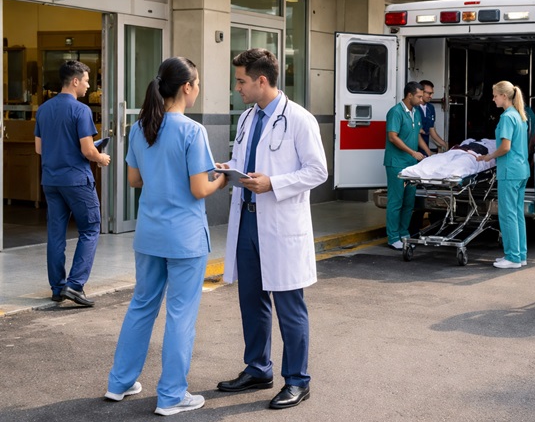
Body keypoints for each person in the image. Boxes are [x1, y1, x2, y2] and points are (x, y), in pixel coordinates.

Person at [106, 57, 226, 416]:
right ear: (186, 87)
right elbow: (199, 188)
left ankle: (120, 382)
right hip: (185, 237)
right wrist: (222, 175)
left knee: (142, 306)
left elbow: (134, 180)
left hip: (150, 234)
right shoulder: (192, 131)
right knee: (180, 314)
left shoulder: (140, 128)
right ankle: (172, 395)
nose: (199, 89)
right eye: (198, 83)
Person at [216, 48, 327, 410]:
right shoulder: (248, 118)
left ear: (262, 81)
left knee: (289, 306)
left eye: (241, 81)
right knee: (252, 301)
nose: (238, 88)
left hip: (280, 223)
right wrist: (227, 167)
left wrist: (274, 183)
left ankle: (297, 380)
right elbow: (247, 160)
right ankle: (258, 368)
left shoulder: (299, 119)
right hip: (248, 219)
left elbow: (317, 171)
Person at [34, 60, 110, 306]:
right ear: (75, 81)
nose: (89, 86)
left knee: (55, 234)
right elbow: (88, 150)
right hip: (76, 180)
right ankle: (75, 285)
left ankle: (57, 288)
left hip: (51, 181)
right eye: (87, 81)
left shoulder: (44, 109)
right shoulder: (81, 110)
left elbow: (39, 149)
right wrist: (101, 157)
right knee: (90, 228)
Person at [477, 81, 530, 269]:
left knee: (507, 215)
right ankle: (520, 254)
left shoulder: (507, 117)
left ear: (504, 96)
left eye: (495, 95)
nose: (493, 99)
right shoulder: (519, 116)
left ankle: (513, 257)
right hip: (521, 170)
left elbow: (505, 147)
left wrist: (488, 157)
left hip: (509, 171)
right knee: (517, 214)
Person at [384, 81, 430, 250]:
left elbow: (416, 135)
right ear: (409, 95)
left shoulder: (416, 112)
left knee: (409, 202)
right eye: (419, 96)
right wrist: (413, 153)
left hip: (411, 164)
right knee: (396, 201)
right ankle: (393, 236)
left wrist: (427, 153)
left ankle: (404, 233)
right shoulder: (395, 112)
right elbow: (393, 137)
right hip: (396, 163)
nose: (421, 99)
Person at [418, 80, 449, 155]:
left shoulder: (430, 108)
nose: (431, 96)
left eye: (432, 93)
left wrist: (444, 144)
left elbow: (432, 130)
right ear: (421, 92)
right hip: (413, 148)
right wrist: (429, 152)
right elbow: (416, 134)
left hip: (424, 148)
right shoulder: (413, 108)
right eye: (429, 93)